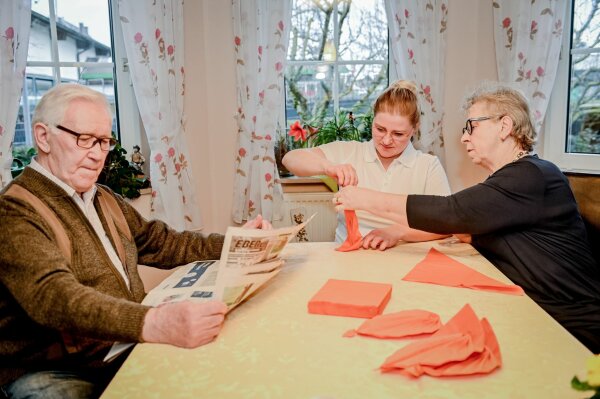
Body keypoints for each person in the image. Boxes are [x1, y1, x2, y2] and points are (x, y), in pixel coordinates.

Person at [0, 83, 271, 399]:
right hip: (49, 370)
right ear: (43, 137)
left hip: (118, 345)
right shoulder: (13, 210)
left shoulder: (103, 198)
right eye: (83, 139)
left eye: (103, 141)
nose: (96, 155)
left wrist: (237, 244)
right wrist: (154, 323)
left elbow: (163, 243)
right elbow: (54, 297)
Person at [333, 82, 600, 353]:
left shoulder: (532, 174)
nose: (464, 138)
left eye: (471, 126)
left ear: (505, 126)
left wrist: (366, 199)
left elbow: (452, 212)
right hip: (537, 314)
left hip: (572, 328)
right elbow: (475, 224)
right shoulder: (518, 177)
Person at [282, 80, 451, 249]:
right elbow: (290, 159)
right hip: (349, 259)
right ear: (372, 120)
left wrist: (398, 232)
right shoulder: (349, 152)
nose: (386, 140)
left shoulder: (428, 166)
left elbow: (447, 224)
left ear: (415, 128)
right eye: (380, 129)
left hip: (404, 259)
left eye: (398, 134)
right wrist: (329, 166)